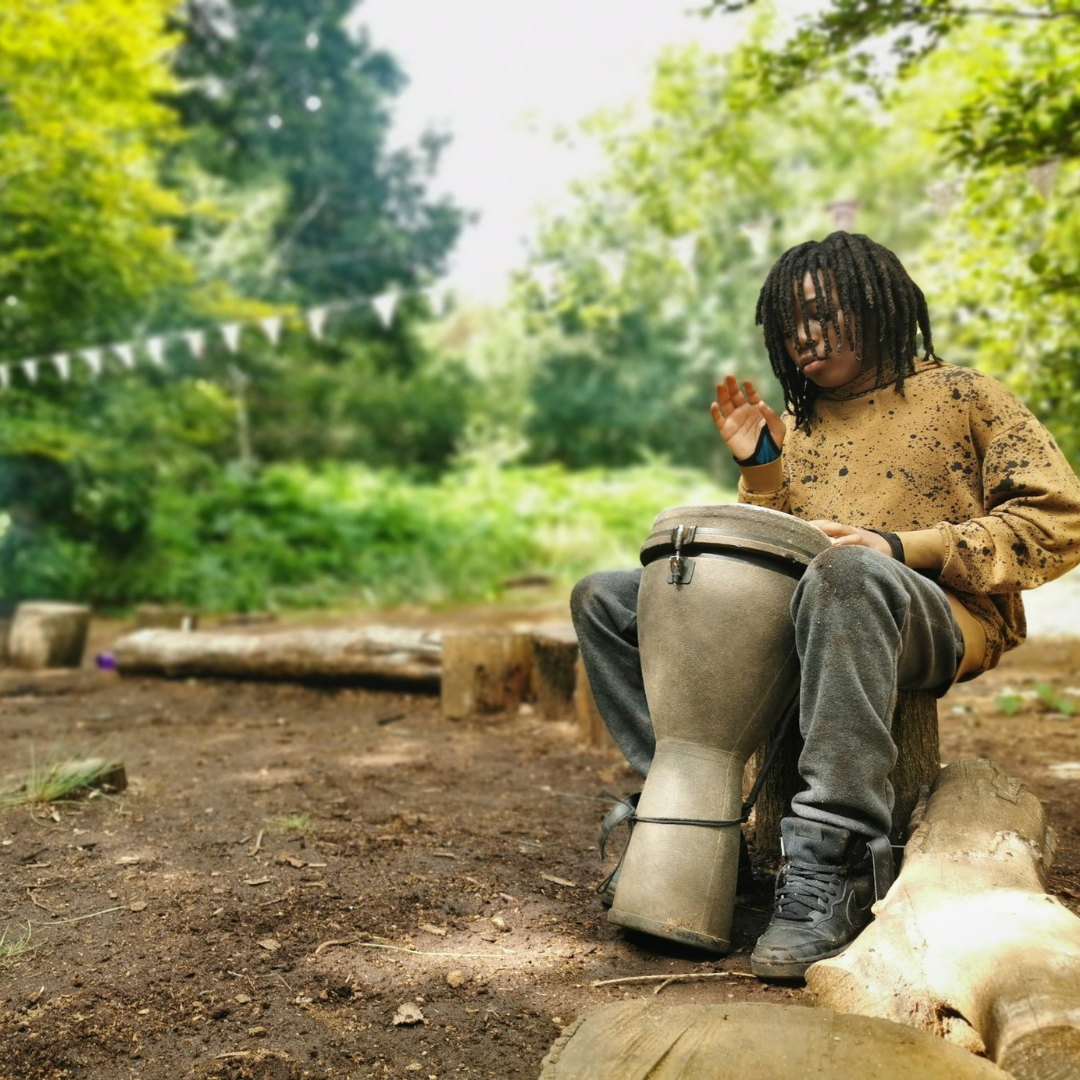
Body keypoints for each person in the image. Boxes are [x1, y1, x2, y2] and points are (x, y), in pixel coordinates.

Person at [571, 231, 1080, 979]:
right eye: (785, 327)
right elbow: (779, 550)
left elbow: (1060, 520)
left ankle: (835, 861)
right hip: (822, 604)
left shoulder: (963, 395)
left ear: (878, 305)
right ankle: (694, 823)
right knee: (611, 598)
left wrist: (903, 548)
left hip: (938, 613)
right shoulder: (800, 425)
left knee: (847, 575)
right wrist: (763, 470)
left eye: (819, 314)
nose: (800, 337)